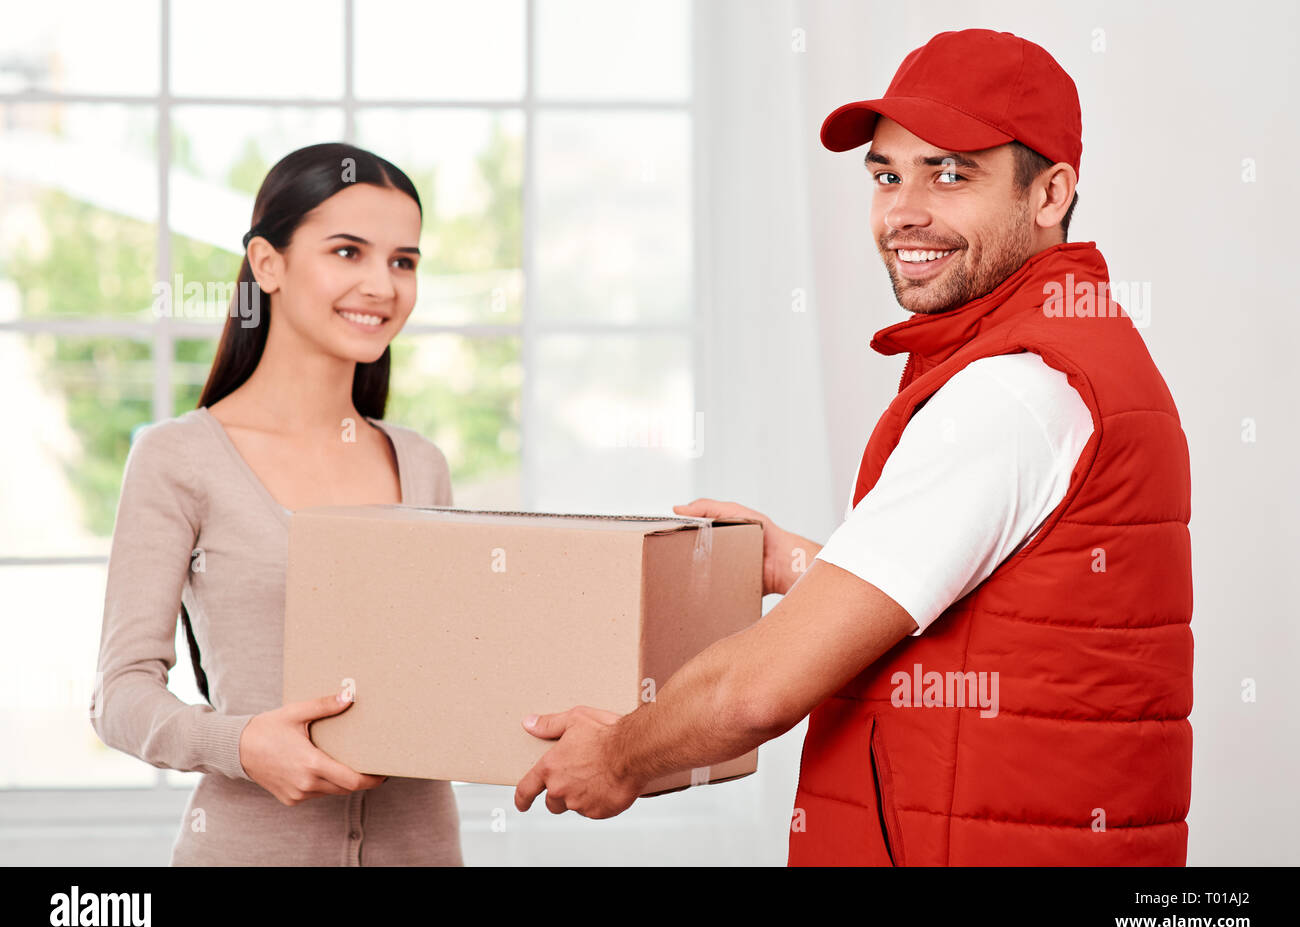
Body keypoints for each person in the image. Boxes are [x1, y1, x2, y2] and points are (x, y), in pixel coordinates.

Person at [512, 29, 1193, 866]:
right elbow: (977, 609)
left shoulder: (1013, 386)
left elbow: (757, 691)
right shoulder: (1064, 355)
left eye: (951, 171)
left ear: (1050, 194)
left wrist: (618, 755)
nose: (903, 209)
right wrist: (805, 566)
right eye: (886, 173)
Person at [91, 143, 463, 866]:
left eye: (403, 261)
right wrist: (242, 743)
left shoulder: (421, 465)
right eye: (348, 251)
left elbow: (454, 667)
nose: (381, 286)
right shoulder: (179, 458)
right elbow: (120, 696)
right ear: (268, 264)